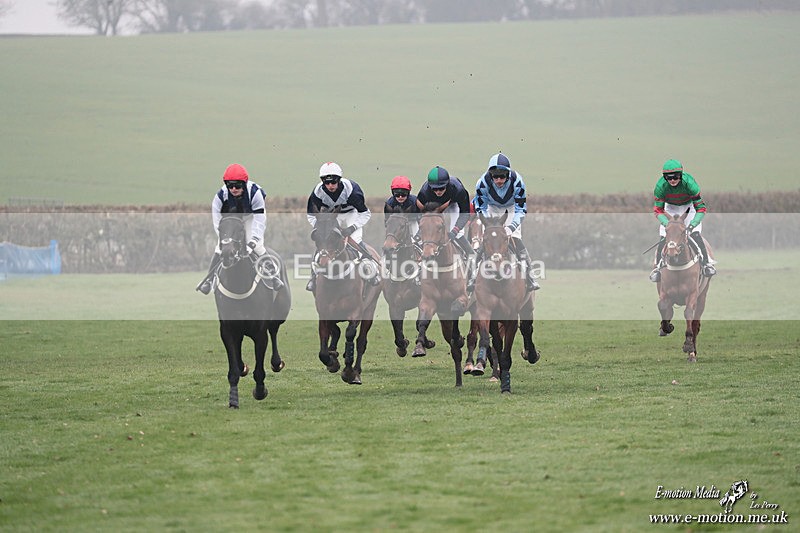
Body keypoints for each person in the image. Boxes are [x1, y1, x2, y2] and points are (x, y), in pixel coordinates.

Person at [470, 152, 540, 292]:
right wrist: (489, 224)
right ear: (490, 175)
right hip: (491, 208)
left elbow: (521, 209)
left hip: (511, 208)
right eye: (495, 176)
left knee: (515, 238)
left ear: (508, 174)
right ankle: (472, 276)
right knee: (487, 239)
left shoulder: (517, 182)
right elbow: (481, 207)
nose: (499, 180)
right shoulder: (482, 183)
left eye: (502, 176)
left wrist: (511, 228)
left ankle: (530, 275)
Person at [305, 161, 380, 292]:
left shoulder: (352, 190)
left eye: (333, 182)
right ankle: (313, 277)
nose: (330, 185)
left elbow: (365, 213)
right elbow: (311, 215)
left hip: (352, 215)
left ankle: (371, 271)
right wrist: (321, 227)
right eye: (326, 182)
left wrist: (352, 228)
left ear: (339, 180)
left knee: (355, 241)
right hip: (332, 217)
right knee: (324, 242)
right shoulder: (317, 192)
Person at [196, 163, 270, 295]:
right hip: (230, 221)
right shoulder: (220, 197)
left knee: (258, 246)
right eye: (230, 186)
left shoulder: (255, 193)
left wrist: (253, 241)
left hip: (251, 218)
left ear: (244, 184)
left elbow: (259, 221)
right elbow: (218, 223)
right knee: (219, 248)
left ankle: (273, 274)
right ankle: (209, 281)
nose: (234, 189)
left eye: (238, 186)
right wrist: (225, 239)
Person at [650, 158, 716, 282]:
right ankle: (658, 268)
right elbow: (658, 210)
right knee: (664, 237)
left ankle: (706, 263)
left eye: (675, 177)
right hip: (670, 208)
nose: (672, 180)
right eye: (668, 178)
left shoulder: (690, 183)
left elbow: (701, 208)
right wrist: (668, 224)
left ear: (681, 175)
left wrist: (692, 224)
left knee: (695, 234)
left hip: (689, 207)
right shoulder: (660, 187)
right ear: (664, 177)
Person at [415, 165, 473, 257]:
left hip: (453, 204)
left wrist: (455, 230)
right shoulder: (424, 192)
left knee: (458, 234)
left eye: (441, 188)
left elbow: (465, 213)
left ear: (447, 184)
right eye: (435, 189)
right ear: (430, 187)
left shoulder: (458, 189)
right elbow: (419, 214)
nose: (438, 191)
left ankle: (472, 256)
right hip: (434, 208)